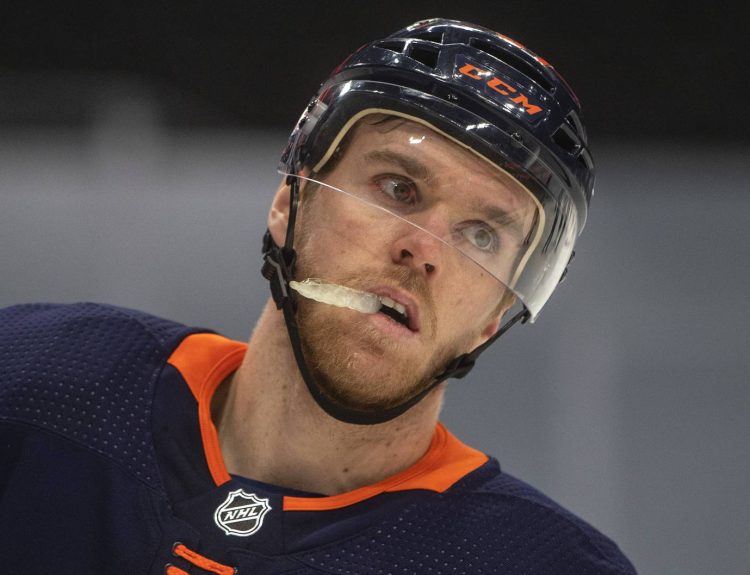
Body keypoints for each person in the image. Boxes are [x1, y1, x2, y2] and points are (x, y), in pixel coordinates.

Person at [0, 18, 636, 574]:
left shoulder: (539, 563)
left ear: (493, 319)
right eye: (398, 188)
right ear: (289, 201)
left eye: (481, 236)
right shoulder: (34, 383)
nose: (425, 250)